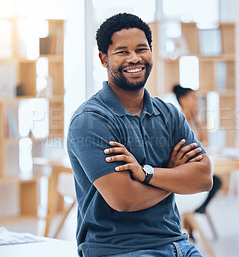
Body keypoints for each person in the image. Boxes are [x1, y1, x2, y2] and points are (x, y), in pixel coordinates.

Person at [67, 13, 212, 257]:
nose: (134, 58)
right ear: (104, 59)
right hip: (119, 249)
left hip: (179, 244)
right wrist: (173, 174)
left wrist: (147, 173)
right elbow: (123, 199)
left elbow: (204, 178)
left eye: (141, 49)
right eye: (122, 51)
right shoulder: (90, 121)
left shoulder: (169, 114)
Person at [173, 85, 222, 215]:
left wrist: (199, 121)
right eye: (194, 98)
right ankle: (193, 212)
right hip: (183, 170)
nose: (198, 102)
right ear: (183, 100)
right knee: (212, 181)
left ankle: (193, 214)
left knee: (215, 181)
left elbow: (205, 142)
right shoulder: (177, 120)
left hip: (194, 165)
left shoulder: (194, 120)